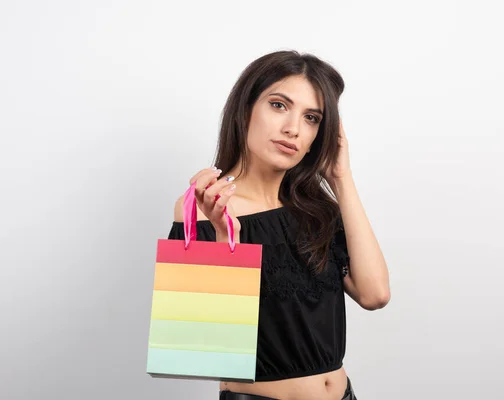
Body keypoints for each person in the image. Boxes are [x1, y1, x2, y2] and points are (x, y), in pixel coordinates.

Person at [167, 50, 390, 400]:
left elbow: (375, 294)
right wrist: (228, 240)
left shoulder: (319, 211)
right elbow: (203, 352)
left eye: (312, 118)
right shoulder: (201, 207)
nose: (293, 129)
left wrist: (341, 178)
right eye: (279, 105)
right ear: (245, 109)